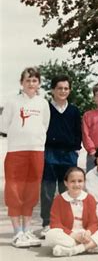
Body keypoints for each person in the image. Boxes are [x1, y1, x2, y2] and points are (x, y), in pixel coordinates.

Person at [2, 67, 50, 248]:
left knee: (31, 189)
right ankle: (17, 232)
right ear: (21, 82)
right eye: (28, 80)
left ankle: (27, 230)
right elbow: (4, 126)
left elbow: (44, 125)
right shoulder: (13, 102)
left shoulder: (43, 103)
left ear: (39, 83)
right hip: (16, 151)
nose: (31, 84)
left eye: (35, 80)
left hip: (36, 151)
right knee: (14, 189)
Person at [39, 75, 82, 239]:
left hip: (68, 154)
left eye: (66, 88)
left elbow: (78, 132)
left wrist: (76, 149)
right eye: (59, 88)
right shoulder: (46, 109)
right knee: (48, 190)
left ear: (69, 90)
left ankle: (66, 222)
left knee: (68, 189)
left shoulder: (73, 110)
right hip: (50, 152)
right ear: (52, 90)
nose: (63, 91)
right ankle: (47, 223)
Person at [44, 167, 98, 257]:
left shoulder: (89, 198)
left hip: (85, 234)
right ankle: (91, 246)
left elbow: (93, 223)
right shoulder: (59, 199)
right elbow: (55, 224)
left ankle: (75, 249)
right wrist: (74, 236)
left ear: (84, 182)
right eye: (72, 181)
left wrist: (88, 233)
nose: (76, 184)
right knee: (50, 234)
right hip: (69, 235)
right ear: (66, 183)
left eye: (80, 181)